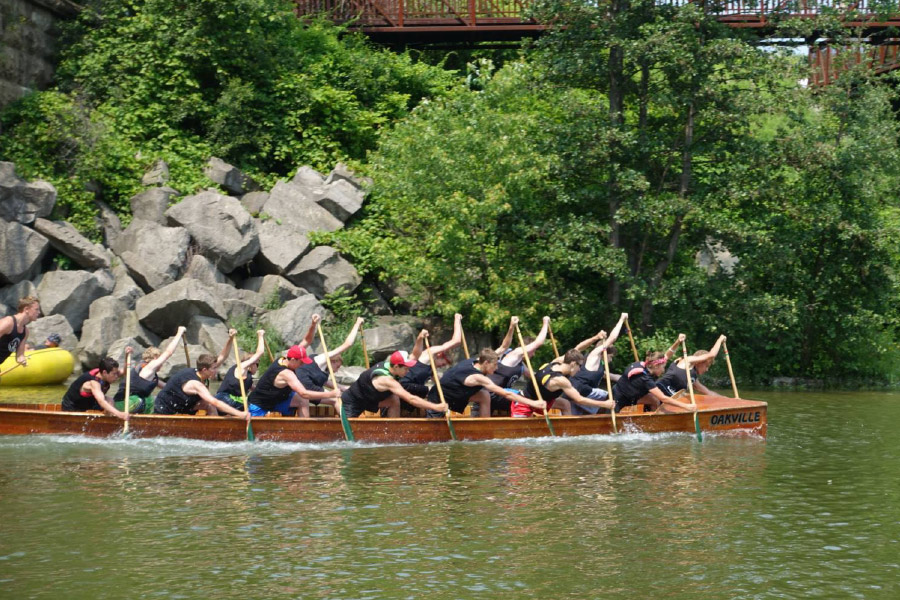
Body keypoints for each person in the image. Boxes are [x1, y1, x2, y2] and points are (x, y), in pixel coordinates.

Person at [153, 330, 249, 418]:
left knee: (208, 405)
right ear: (204, 370)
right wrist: (240, 414)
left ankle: (215, 430)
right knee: (210, 403)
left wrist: (230, 338)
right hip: (165, 410)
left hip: (183, 405)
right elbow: (214, 401)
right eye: (214, 368)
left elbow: (223, 356)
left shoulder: (205, 371)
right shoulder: (196, 384)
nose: (217, 370)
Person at [426, 348, 541, 418]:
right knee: (434, 435)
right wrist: (532, 403)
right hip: (438, 399)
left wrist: (511, 327)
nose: (496, 369)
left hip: (456, 396)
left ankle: (484, 424)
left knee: (484, 395)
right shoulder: (478, 377)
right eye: (495, 365)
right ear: (486, 363)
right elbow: (506, 394)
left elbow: (503, 347)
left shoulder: (476, 361)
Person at [473, 315, 550, 416]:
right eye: (533, 351)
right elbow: (538, 342)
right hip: (491, 394)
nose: (534, 354)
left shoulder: (521, 364)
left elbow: (535, 377)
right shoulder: (514, 354)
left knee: (526, 393)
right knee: (525, 398)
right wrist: (545, 323)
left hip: (498, 397)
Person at [342, 351, 447, 418]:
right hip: (352, 402)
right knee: (345, 438)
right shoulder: (387, 380)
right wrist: (436, 407)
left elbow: (415, 353)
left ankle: (394, 431)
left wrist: (420, 337)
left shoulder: (390, 366)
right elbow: (411, 399)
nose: (408, 371)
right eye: (406, 368)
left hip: (369, 400)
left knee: (394, 399)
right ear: (396, 367)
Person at [513, 349, 614, 417]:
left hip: (542, 401)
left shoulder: (555, 362)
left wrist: (596, 338)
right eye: (580, 366)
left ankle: (568, 431)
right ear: (573, 364)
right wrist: (604, 404)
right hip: (524, 403)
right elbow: (579, 399)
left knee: (565, 404)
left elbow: (577, 348)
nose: (580, 370)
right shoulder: (561, 380)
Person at [612, 334, 697, 413]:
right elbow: (664, 398)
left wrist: (677, 341)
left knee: (653, 399)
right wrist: (686, 406)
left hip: (621, 391)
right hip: (620, 400)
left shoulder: (645, 365)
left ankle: (652, 418)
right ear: (656, 366)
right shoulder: (645, 379)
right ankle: (653, 423)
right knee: (656, 398)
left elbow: (668, 355)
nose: (663, 370)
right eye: (663, 367)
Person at [246, 345, 340, 417]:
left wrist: (313, 325)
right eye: (301, 362)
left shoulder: (282, 359)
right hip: (258, 406)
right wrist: (330, 394)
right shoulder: (286, 373)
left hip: (275, 402)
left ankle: (304, 430)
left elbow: (306, 340)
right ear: (293, 360)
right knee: (302, 396)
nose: (303, 364)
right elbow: (304, 393)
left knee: (302, 400)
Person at [113, 326, 189, 414]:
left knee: (160, 398)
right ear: (155, 358)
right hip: (124, 404)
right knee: (151, 400)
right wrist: (179, 333)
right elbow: (169, 352)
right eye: (160, 359)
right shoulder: (149, 367)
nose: (162, 363)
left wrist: (185, 390)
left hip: (128, 404)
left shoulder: (150, 375)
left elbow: (168, 387)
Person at [564, 313, 628, 416]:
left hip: (580, 393)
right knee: (612, 395)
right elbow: (612, 338)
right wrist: (621, 320)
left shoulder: (599, 366)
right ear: (604, 352)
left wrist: (629, 378)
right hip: (579, 391)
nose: (611, 360)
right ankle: (608, 419)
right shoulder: (594, 356)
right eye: (610, 356)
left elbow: (612, 376)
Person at [295, 316, 364, 403]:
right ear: (333, 361)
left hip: (310, 388)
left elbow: (325, 382)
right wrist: (357, 323)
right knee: (337, 400)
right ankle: (347, 416)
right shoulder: (322, 359)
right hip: (304, 390)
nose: (337, 370)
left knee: (341, 397)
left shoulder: (325, 370)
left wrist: (345, 388)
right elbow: (348, 344)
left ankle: (346, 415)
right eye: (338, 367)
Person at [399, 313, 463, 400]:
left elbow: (440, 383)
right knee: (431, 390)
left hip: (412, 390)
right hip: (404, 385)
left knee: (436, 391)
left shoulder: (432, 368)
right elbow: (456, 341)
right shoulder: (429, 354)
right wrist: (457, 320)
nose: (442, 366)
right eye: (444, 364)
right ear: (440, 355)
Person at [656, 334, 727, 398]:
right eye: (707, 366)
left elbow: (708, 392)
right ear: (700, 362)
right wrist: (720, 340)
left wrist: (727, 399)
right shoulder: (687, 361)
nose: (707, 369)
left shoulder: (693, 379)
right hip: (659, 390)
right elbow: (712, 355)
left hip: (670, 398)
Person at [61, 356, 128, 420]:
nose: (117, 376)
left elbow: (124, 372)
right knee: (107, 401)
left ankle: (109, 420)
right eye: (114, 374)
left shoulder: (106, 373)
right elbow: (101, 401)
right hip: (71, 408)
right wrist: (119, 414)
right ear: (104, 372)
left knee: (110, 400)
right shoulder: (94, 383)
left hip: (88, 404)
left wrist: (126, 356)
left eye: (116, 373)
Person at [215, 329, 267, 411]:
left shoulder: (247, 375)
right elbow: (260, 352)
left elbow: (255, 389)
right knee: (253, 409)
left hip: (229, 400)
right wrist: (260, 335)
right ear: (252, 363)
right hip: (224, 399)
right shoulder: (241, 367)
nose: (258, 367)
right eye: (257, 364)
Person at [0, 296, 41, 368]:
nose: (39, 312)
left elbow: (19, 355)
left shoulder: (25, 332)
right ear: (26, 309)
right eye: (36, 309)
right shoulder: (8, 323)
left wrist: (22, 360)